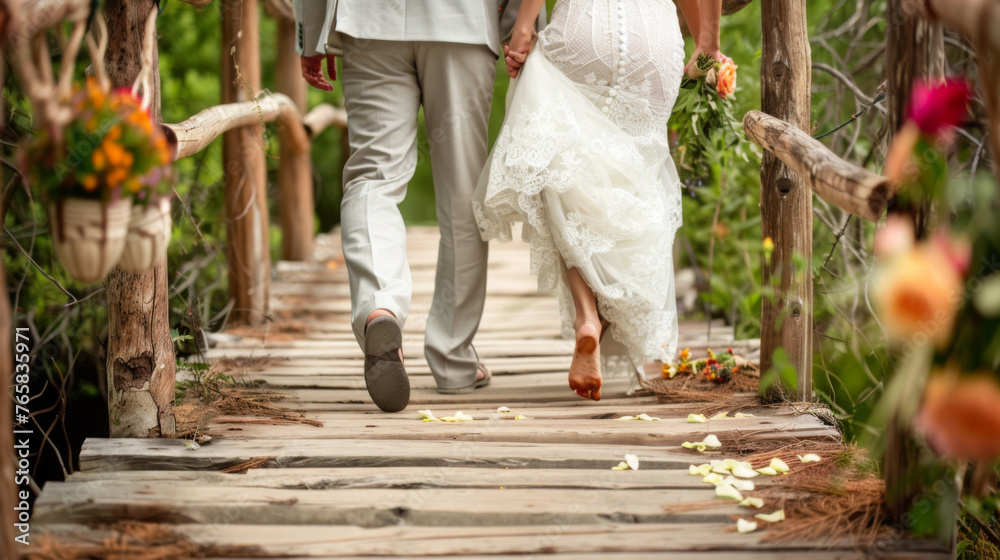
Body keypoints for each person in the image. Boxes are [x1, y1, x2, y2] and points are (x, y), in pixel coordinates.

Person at [292, 1, 541, 412]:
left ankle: (379, 306)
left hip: (368, 22)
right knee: (463, 191)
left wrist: (314, 32)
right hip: (461, 22)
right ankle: (453, 359)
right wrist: (523, 27)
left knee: (373, 177)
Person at [474, 0, 723, 400]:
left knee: (563, 167)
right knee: (637, 177)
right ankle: (600, 322)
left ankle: (587, 316)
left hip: (584, 32)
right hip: (653, 39)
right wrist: (707, 44)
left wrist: (523, 28)